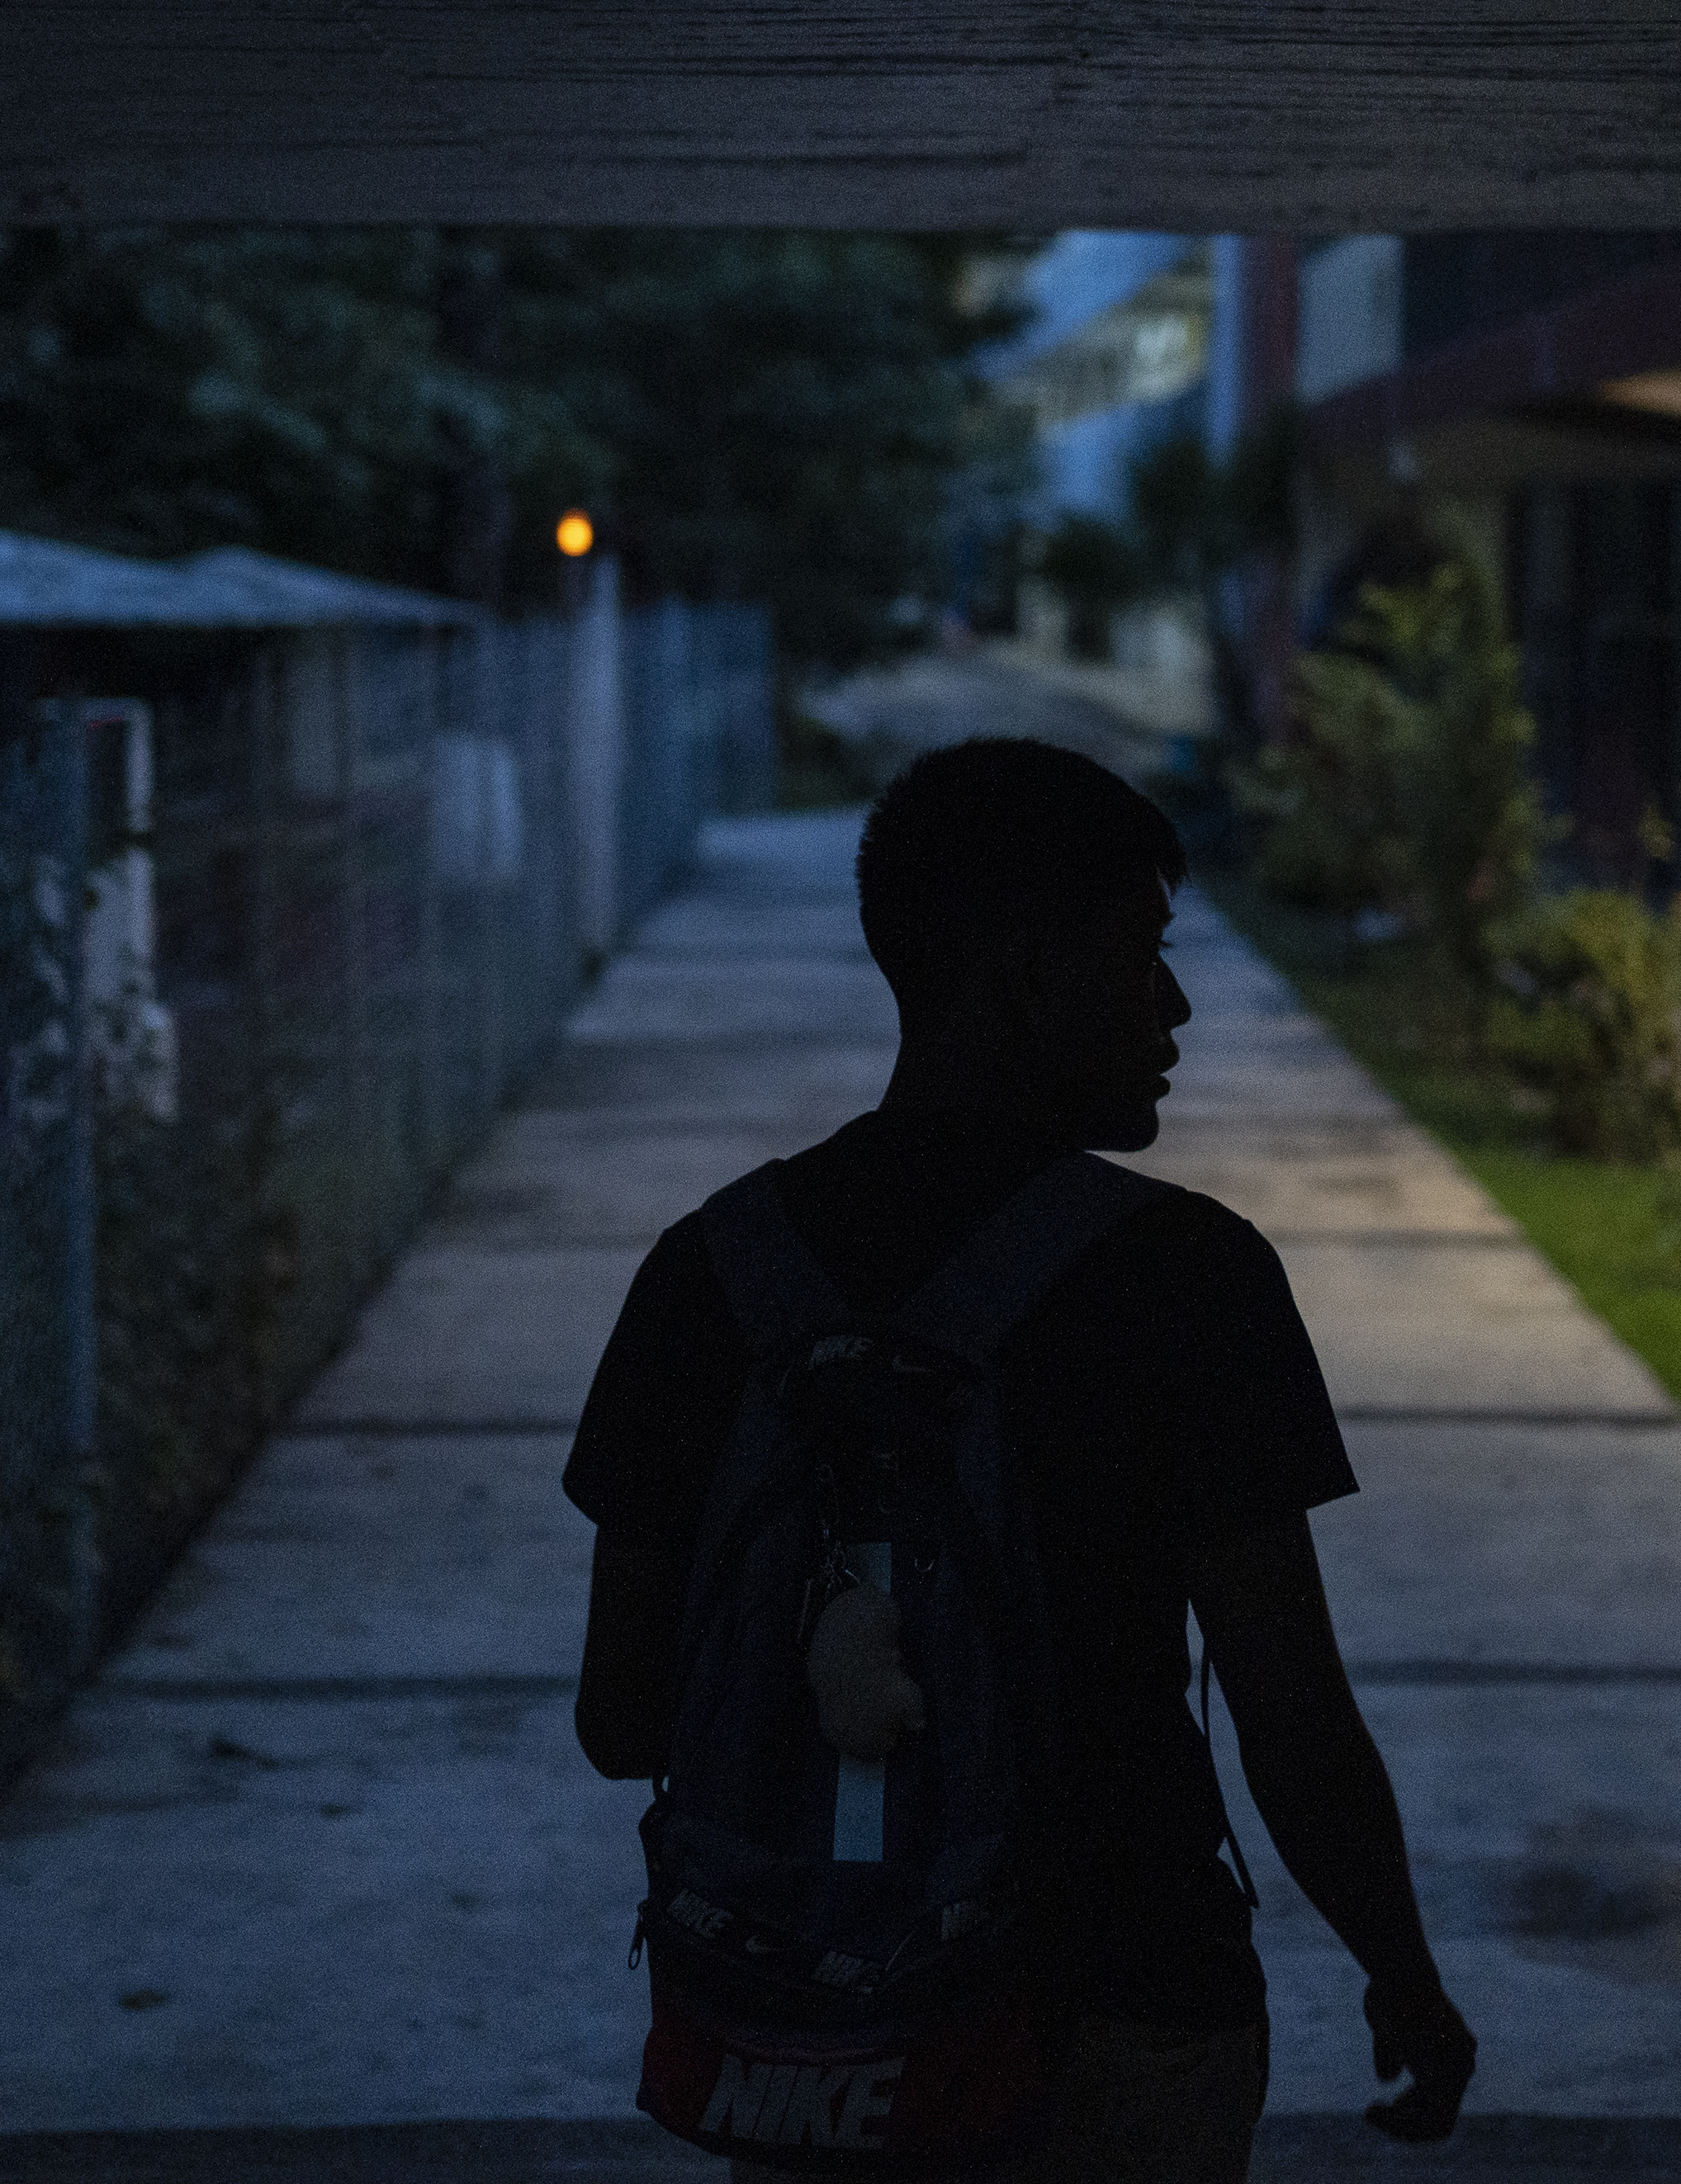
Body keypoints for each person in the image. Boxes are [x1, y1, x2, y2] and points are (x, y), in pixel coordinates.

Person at [563, 737, 1477, 2182]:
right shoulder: (1190, 1275)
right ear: (1027, 973)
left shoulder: (711, 1274)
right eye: (1143, 953)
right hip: (1125, 2017)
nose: (1174, 1006)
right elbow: (1288, 1710)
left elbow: (620, 1719)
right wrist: (1404, 1975)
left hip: (821, 2040)